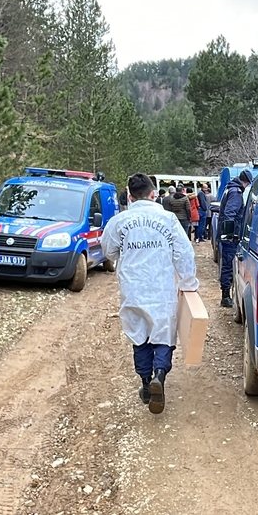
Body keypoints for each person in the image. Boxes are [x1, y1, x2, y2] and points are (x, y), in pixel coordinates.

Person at [101, 173, 199, 415]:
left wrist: (124, 256)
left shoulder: (120, 221)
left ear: (130, 195)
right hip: (160, 287)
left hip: (132, 288)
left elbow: (108, 250)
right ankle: (160, 375)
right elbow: (184, 253)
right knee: (163, 335)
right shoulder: (167, 219)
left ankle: (146, 384)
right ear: (153, 193)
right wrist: (188, 282)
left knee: (139, 335)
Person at [217, 169, 253, 308]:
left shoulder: (229, 188)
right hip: (230, 237)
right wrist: (230, 235)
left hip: (227, 236)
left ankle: (226, 293)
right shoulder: (236, 193)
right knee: (228, 265)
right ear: (247, 182)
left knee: (227, 264)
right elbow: (230, 214)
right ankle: (225, 296)